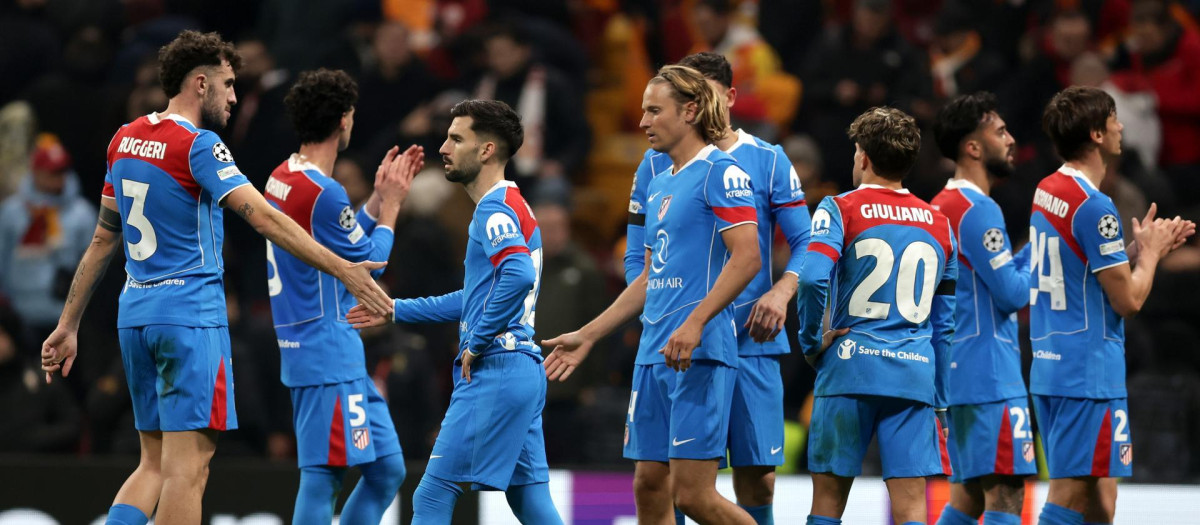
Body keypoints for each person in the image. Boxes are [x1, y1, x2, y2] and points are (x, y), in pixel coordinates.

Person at [38, 30, 393, 525]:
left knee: (153, 465)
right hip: (190, 320)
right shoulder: (201, 146)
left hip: (135, 315)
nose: (233, 96)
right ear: (199, 83)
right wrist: (344, 270)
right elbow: (265, 218)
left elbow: (103, 238)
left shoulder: (124, 139)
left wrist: (69, 322)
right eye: (227, 85)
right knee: (190, 472)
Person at [541, 64, 760, 524]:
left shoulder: (722, 171)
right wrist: (587, 334)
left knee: (694, 497)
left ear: (691, 111)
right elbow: (647, 278)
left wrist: (696, 323)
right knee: (649, 485)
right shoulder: (660, 181)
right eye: (643, 110)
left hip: (697, 352)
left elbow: (747, 258)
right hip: (652, 353)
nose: (642, 122)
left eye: (653, 111)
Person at [347, 99, 562, 524]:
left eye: (456, 138)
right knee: (530, 501)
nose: (443, 147)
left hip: (496, 366)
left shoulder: (493, 209)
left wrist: (478, 341)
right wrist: (396, 310)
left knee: (432, 495)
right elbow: (477, 295)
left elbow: (517, 275)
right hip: (521, 366)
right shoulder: (515, 204)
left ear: (486, 151)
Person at [624, 52, 810, 525]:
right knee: (660, 480)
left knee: (755, 478)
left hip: (750, 337)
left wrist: (783, 290)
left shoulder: (767, 159)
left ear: (725, 97)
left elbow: (808, 240)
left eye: (703, 92)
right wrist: (657, 311)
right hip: (679, 336)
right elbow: (639, 256)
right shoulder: (654, 163)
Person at [1031, 86, 1195, 525]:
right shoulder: (1095, 205)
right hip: (1086, 369)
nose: (1121, 126)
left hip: (1051, 362)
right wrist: (1155, 255)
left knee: (1101, 501)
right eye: (1114, 119)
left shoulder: (1048, 189)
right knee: (1070, 497)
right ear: (1097, 134)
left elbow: (1080, 268)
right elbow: (1129, 300)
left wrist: (1136, 252)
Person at [265, 68, 421, 524]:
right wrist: (392, 205)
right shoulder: (324, 192)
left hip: (335, 353)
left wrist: (373, 201)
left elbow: (336, 235)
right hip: (323, 351)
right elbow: (369, 268)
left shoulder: (285, 177)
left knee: (387, 472)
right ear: (345, 120)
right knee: (325, 476)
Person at [797, 106, 957, 525]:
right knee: (910, 511)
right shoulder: (941, 224)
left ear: (864, 157)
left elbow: (812, 279)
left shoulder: (839, 207)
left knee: (827, 507)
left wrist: (813, 342)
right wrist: (939, 398)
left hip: (850, 367)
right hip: (914, 374)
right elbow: (945, 324)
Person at [930, 92, 1035, 525]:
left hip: (957, 372)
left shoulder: (939, 205)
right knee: (1006, 493)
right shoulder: (977, 208)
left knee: (969, 497)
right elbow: (1012, 294)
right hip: (990, 375)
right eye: (1000, 131)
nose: (1011, 140)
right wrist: (1042, 251)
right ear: (972, 147)